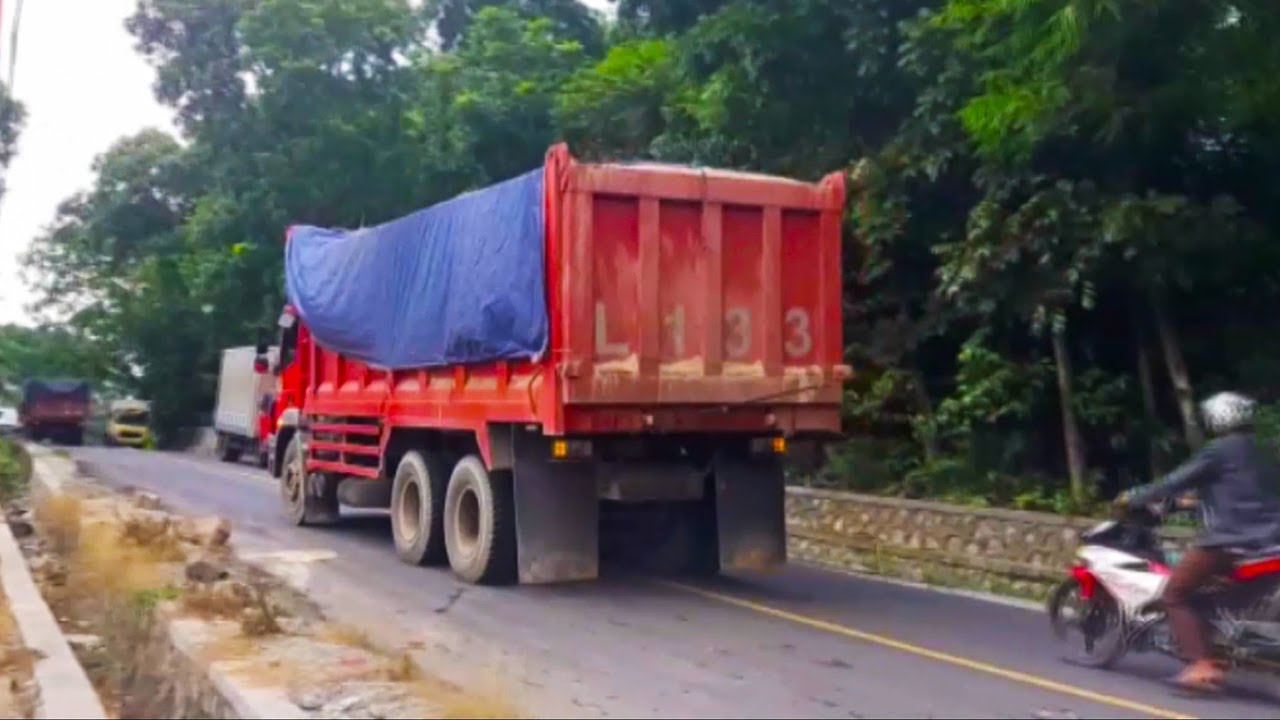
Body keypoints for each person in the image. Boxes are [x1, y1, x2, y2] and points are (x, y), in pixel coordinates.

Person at [1116, 391, 1280, 692]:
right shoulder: (1265, 450)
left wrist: (1133, 497)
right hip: (1272, 543)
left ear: (1216, 420)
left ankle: (1200, 664)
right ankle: (1220, 651)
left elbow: (1173, 481)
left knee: (1176, 593)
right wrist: (1192, 503)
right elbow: (1245, 492)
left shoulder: (1218, 450)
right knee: (1212, 595)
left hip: (1229, 541)